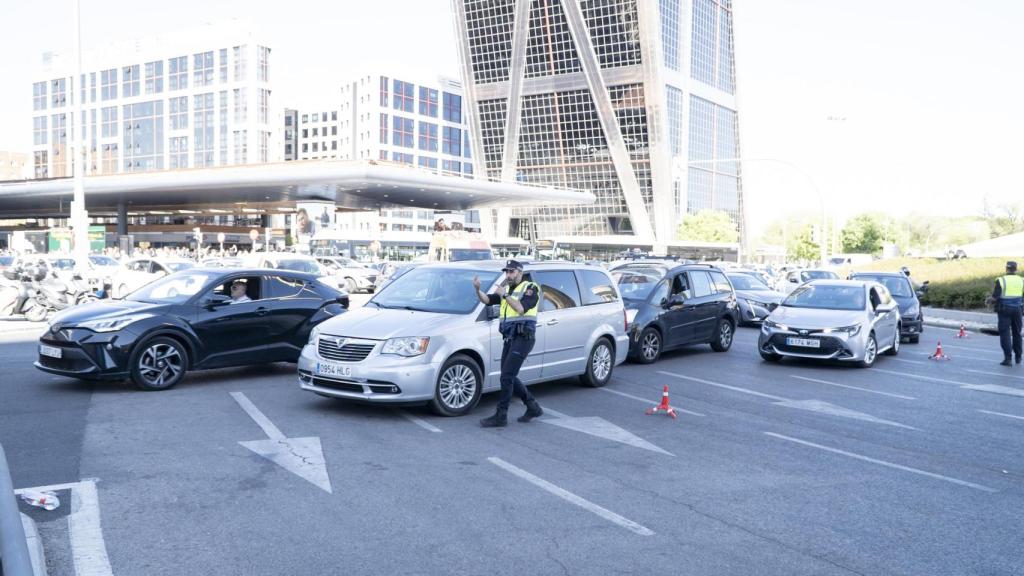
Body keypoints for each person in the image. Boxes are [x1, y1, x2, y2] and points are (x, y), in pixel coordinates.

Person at [472, 260, 543, 428]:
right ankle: (533, 407)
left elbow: (521, 308)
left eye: (511, 271)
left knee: (506, 376)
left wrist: (504, 295)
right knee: (508, 376)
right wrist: (477, 290)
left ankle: (501, 416)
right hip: (510, 338)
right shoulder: (508, 290)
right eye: (506, 272)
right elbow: (487, 300)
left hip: (524, 338)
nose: (508, 275)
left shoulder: (530, 288)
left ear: (520, 272)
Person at [993, 261, 1023, 366]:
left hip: (1004, 310)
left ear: (1006, 269)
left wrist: (989, 300)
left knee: (1005, 333)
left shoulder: (1001, 280)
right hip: (1018, 310)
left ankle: (1008, 359)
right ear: (1016, 269)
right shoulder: (1021, 280)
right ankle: (1018, 357)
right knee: (1017, 333)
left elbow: (995, 297)